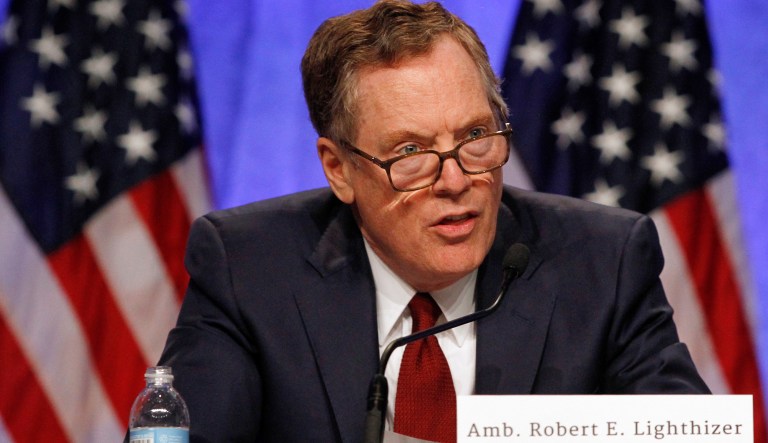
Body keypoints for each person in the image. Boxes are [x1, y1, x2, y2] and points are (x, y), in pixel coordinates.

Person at [157, 1, 709, 442]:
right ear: (338, 168)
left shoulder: (601, 259)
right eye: (410, 153)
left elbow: (685, 434)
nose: (454, 181)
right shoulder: (250, 267)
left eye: (475, 138)